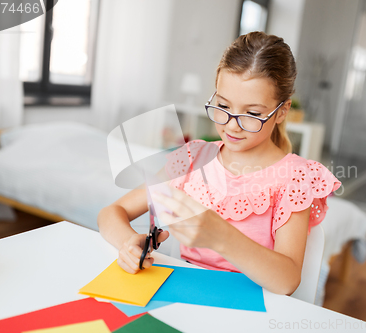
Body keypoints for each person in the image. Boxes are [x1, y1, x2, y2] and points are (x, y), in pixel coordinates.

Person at [98, 31, 341, 295]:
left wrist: (222, 237)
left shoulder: (293, 176)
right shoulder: (192, 159)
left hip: (252, 307)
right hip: (184, 296)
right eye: (223, 106)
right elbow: (111, 213)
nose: (231, 125)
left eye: (252, 113)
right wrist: (128, 244)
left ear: (282, 111)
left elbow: (287, 281)